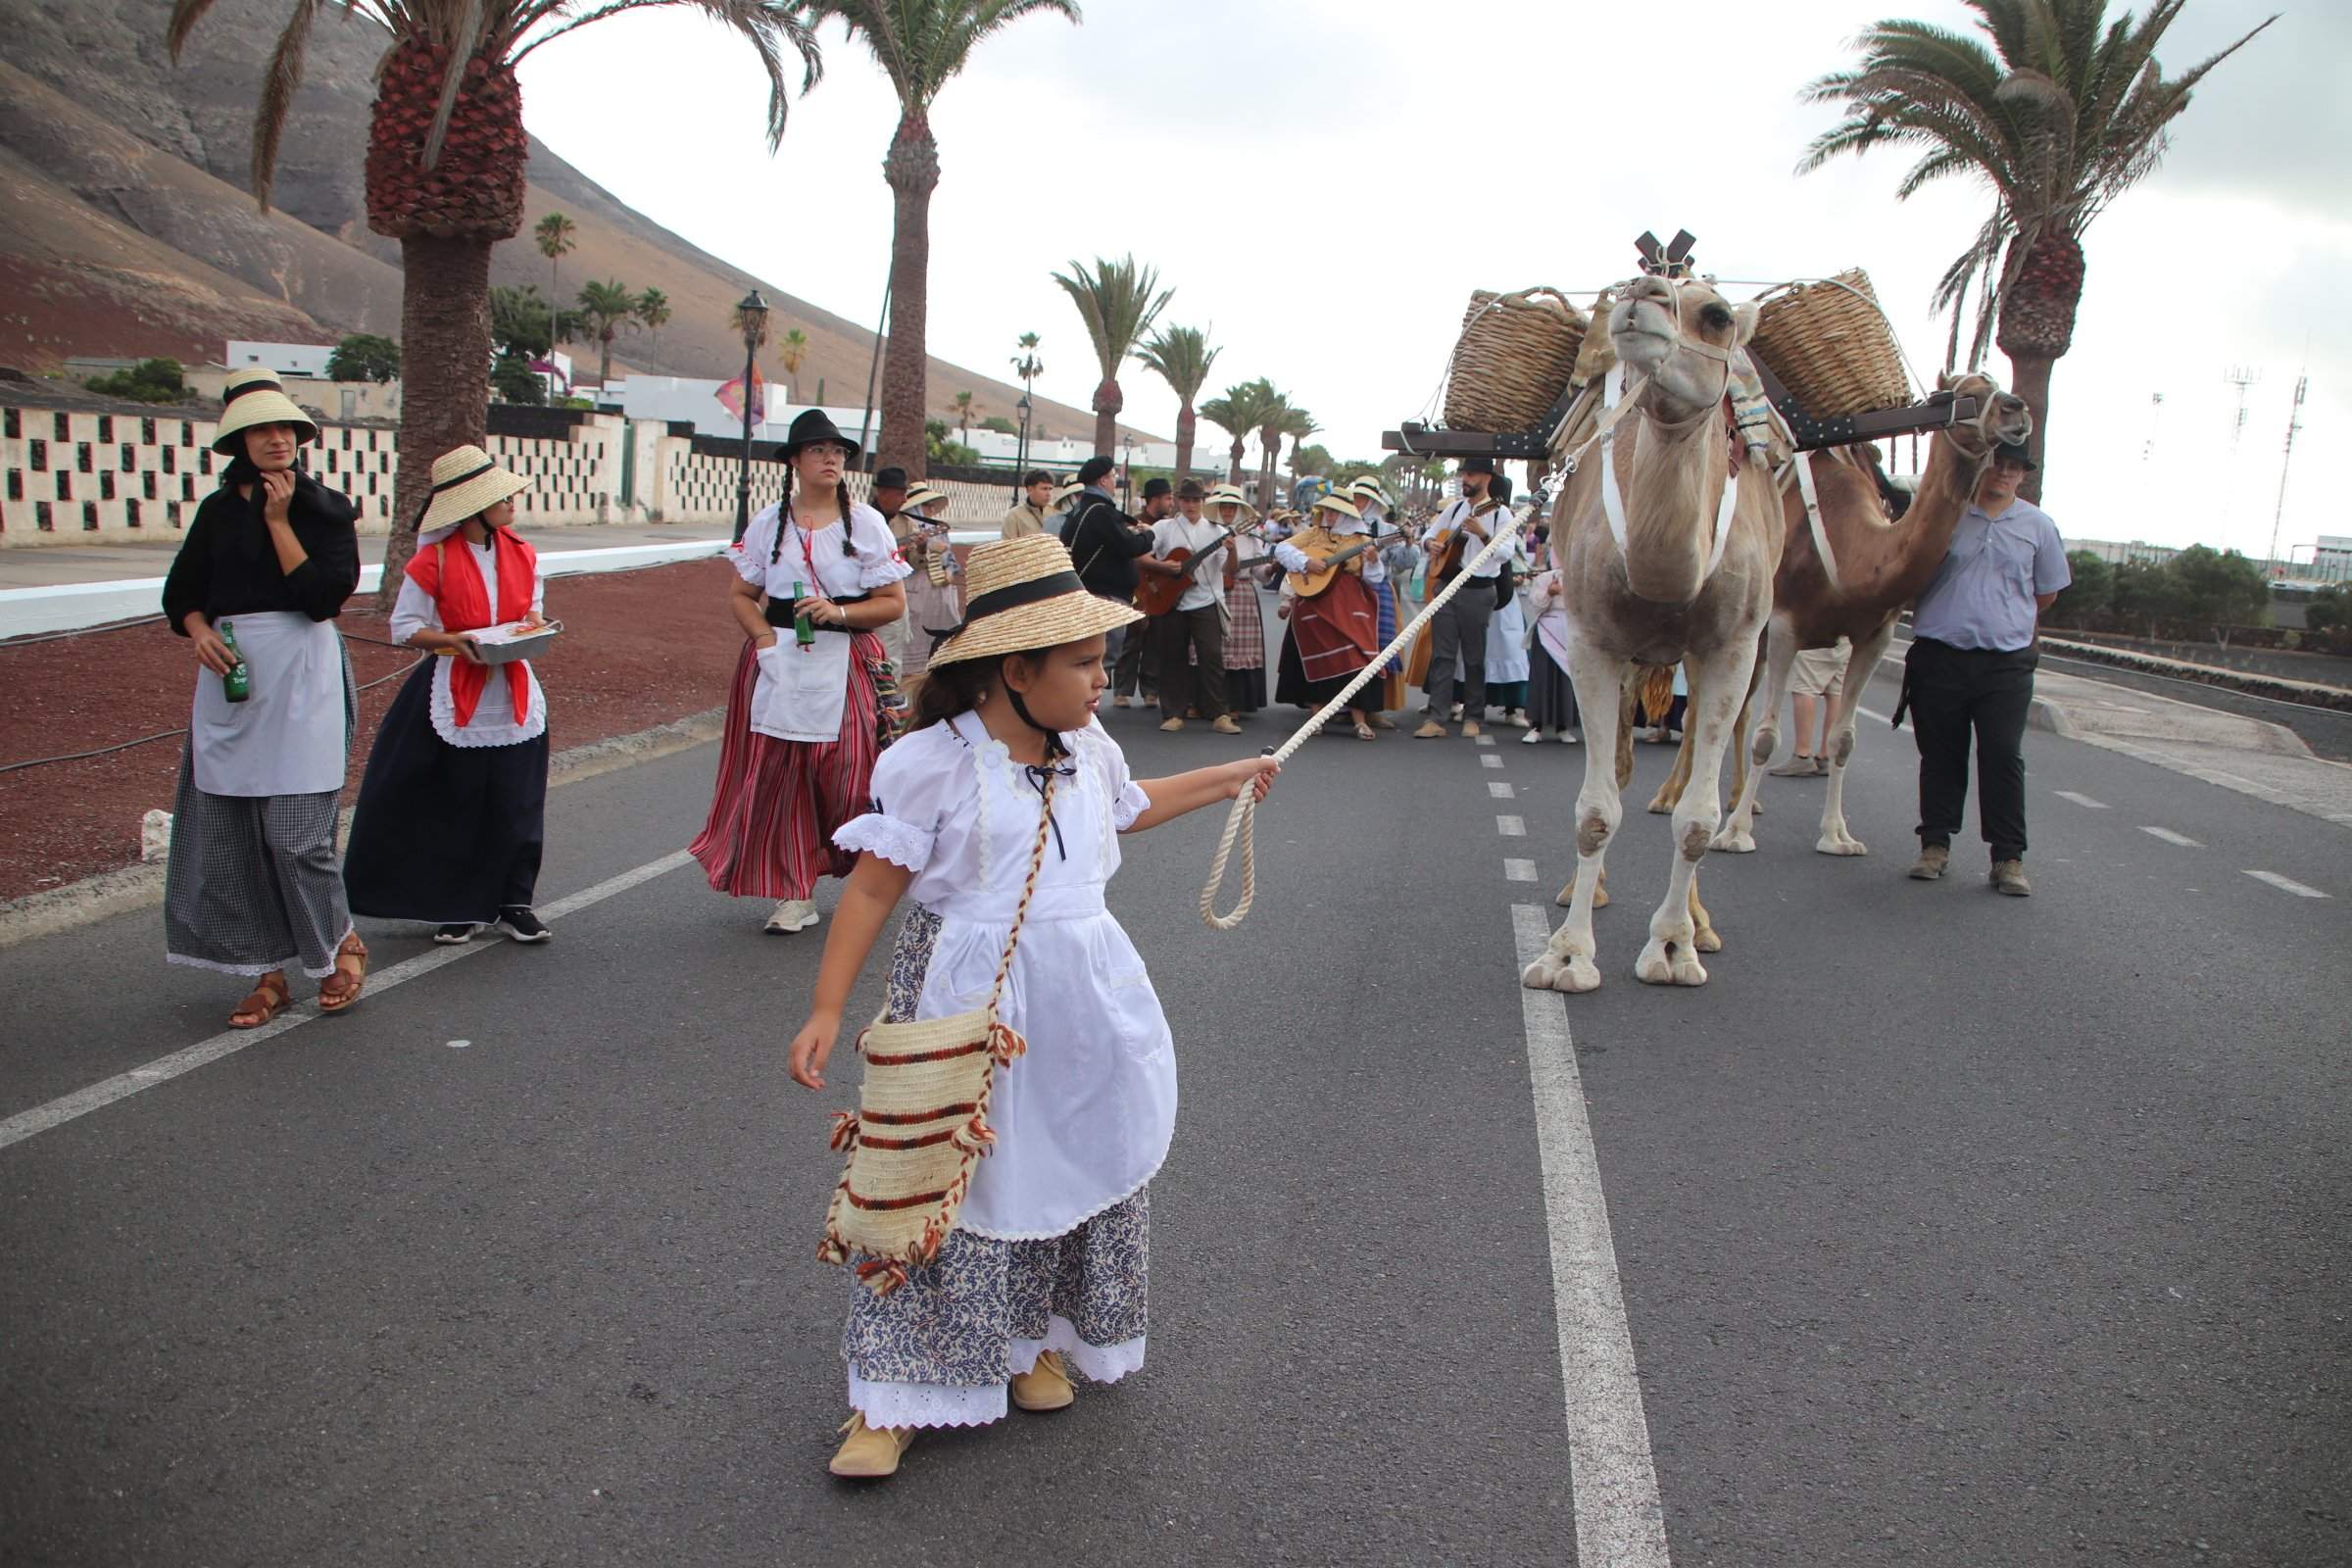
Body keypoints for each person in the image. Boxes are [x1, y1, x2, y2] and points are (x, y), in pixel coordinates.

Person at [787, 534, 1279, 1480]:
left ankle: (1037, 1340)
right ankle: (892, 1396)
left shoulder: (1090, 748)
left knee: (1069, 1163)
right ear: (1015, 671)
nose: (1103, 678)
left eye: (1102, 659)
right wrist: (824, 1007)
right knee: (942, 1179)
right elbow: (874, 889)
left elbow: (1128, 807)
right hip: (966, 999)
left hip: (1081, 998)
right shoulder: (932, 764)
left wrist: (1229, 778)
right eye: (1083, 663)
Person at [160, 367, 367, 1026]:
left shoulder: (325, 509)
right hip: (232, 680)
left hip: (302, 672)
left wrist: (279, 520)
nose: (277, 439)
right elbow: (181, 593)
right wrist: (198, 631)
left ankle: (338, 943)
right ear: (238, 442)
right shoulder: (217, 513)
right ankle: (267, 973)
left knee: (295, 836)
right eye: (261, 431)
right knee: (233, 839)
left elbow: (321, 598)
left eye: (286, 428)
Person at [691, 409, 910, 934]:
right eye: (818, 450)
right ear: (795, 460)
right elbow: (742, 595)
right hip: (779, 664)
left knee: (851, 773)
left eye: (837, 452)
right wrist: (765, 640)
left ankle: (868, 875)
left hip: (846, 660)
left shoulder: (867, 524)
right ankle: (794, 892)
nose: (830, 459)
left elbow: (892, 602)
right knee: (782, 776)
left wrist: (839, 613)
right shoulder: (768, 524)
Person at [343, 447, 554, 945]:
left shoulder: (522, 552)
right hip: (453, 690)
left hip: (513, 688)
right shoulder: (432, 560)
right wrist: (454, 642)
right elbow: (405, 627)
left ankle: (515, 902)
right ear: (473, 506)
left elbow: (533, 611)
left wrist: (534, 628)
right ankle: (461, 905)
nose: (512, 501)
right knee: (461, 801)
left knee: (517, 800)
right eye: (501, 496)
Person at [1901, 440, 2069, 896]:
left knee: (2002, 755)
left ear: (2023, 475)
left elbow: (2047, 593)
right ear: (1982, 466)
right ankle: (1934, 846)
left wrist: (2004, 617)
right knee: (1940, 755)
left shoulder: (2038, 526)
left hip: (2005, 662)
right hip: (1941, 655)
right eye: (1998, 463)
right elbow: (1912, 570)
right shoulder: (1947, 516)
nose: (2004, 473)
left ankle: (2008, 858)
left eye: (2014, 467)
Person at [1272, 492, 1383, 741]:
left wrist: (1374, 562)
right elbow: (1281, 549)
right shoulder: (1314, 533)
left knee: (1358, 657)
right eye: (1328, 511)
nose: (1330, 516)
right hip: (1314, 601)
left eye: (1335, 512)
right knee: (1315, 656)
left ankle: (1359, 720)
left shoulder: (1362, 540)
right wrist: (1306, 562)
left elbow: (1374, 578)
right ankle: (1316, 718)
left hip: (1349, 603)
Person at [1415, 457, 1506, 738]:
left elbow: (1505, 554)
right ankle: (1436, 718)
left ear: (1487, 478)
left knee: (1474, 657)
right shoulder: (1455, 508)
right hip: (1447, 585)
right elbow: (1428, 535)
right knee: (1442, 656)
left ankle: (1474, 716)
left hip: (1478, 590)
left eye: (1471, 474)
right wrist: (1432, 544)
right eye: (1464, 474)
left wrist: (1483, 534)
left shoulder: (1500, 514)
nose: (1465, 479)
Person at [1141, 479, 1238, 733]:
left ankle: (1219, 713)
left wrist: (1232, 550)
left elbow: (1230, 570)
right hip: (1171, 600)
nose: (1190, 505)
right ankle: (1173, 713)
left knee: (1212, 657)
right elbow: (1141, 556)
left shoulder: (1217, 531)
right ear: (1178, 501)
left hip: (1206, 600)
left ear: (1203, 502)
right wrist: (1163, 567)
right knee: (1171, 657)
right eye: (1186, 500)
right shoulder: (1164, 528)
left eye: (1195, 500)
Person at [1060, 456, 1155, 703]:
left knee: (1087, 656)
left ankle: (1080, 706)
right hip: (1106, 596)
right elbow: (1128, 546)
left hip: (1087, 592)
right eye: (1113, 476)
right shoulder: (1100, 512)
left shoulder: (1080, 510)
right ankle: (1084, 708)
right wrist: (1149, 536)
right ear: (1103, 480)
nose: (1115, 481)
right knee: (1101, 658)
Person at [1348, 477, 1408, 728]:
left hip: (1379, 593)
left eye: (1364, 498)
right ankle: (1341, 705)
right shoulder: (1344, 525)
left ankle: (1373, 708)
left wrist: (1409, 543)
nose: (1358, 502)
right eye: (1355, 497)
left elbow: (1403, 563)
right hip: (1348, 592)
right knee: (1348, 648)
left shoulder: (1386, 530)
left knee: (1380, 649)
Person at [1109, 476, 1175, 707]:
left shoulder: (1170, 526)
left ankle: (1151, 690)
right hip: (1136, 588)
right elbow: (1135, 556)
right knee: (1130, 639)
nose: (1171, 503)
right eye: (1168, 498)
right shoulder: (1133, 523)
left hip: (1161, 591)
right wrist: (1163, 566)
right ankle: (1122, 690)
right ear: (1155, 499)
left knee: (1155, 641)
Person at [894, 481, 963, 679]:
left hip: (941, 591)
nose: (931, 509)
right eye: (927, 505)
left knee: (944, 635)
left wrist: (949, 571)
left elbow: (950, 560)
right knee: (914, 638)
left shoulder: (938, 528)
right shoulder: (902, 526)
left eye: (932, 505)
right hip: (916, 588)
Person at [1209, 484, 1267, 715]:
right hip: (1211, 590)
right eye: (1224, 507)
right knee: (1211, 647)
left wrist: (1271, 568)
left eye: (1232, 508)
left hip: (1242, 592)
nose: (1227, 511)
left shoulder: (1251, 537)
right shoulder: (1209, 531)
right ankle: (1206, 701)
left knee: (1239, 648)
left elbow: (1260, 573)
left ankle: (1235, 703)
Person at [1522, 536, 1581, 744]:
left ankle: (1563, 726)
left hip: (1571, 630)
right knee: (1541, 677)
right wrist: (1549, 592)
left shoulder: (1579, 577)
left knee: (1566, 679)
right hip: (1546, 629)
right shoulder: (1544, 578)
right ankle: (1536, 726)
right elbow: (1536, 604)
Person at [1770, 637, 1852, 777]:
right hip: (1848, 637)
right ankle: (1827, 756)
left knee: (1804, 687)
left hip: (1821, 634)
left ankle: (1802, 755)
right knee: (1835, 691)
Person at [1001, 470, 1058, 539]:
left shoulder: (1057, 512)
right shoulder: (1013, 516)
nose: (1048, 494)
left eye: (1050, 489)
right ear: (1030, 490)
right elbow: (1009, 544)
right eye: (1044, 489)